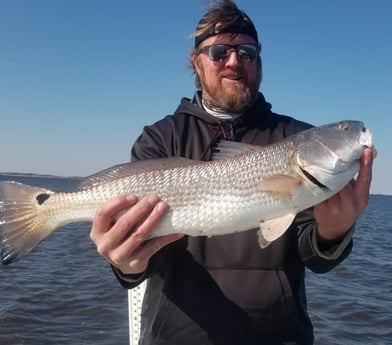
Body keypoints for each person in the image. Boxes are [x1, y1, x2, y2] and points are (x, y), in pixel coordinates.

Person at [89, 1, 374, 344]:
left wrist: (334, 233)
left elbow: (315, 257)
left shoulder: (294, 137)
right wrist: (126, 263)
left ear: (260, 61)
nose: (235, 62)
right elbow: (140, 258)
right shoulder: (160, 139)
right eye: (219, 51)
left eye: (247, 52)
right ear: (196, 62)